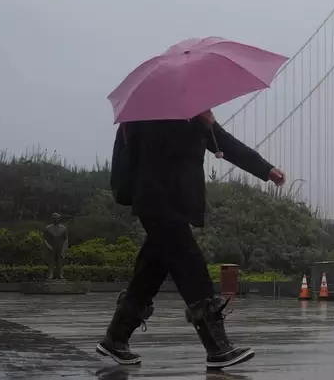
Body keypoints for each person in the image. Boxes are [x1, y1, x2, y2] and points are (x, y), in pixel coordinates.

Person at [96, 110, 286, 369]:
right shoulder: (148, 115)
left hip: (175, 204)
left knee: (150, 271)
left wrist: (265, 169)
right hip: (157, 201)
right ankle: (217, 347)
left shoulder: (193, 113)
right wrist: (193, 125)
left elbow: (223, 142)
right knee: (191, 265)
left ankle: (115, 338)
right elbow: (156, 155)